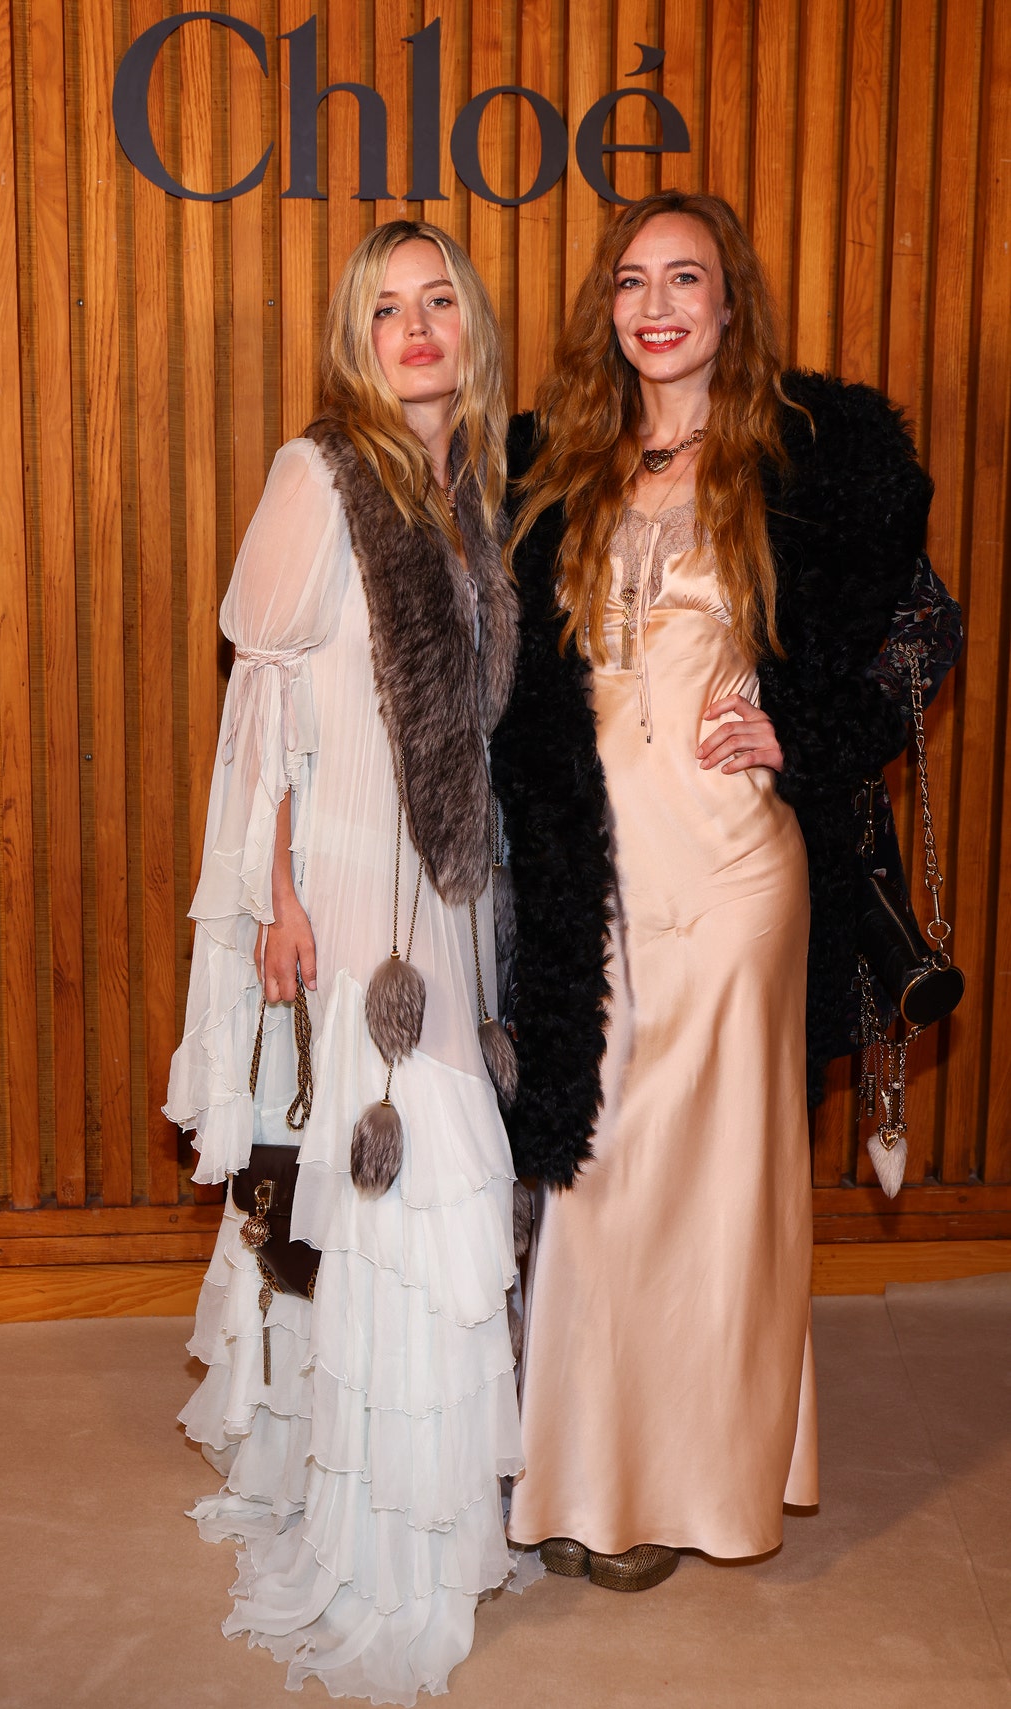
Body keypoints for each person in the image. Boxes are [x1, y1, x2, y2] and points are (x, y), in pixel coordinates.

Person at [492, 190, 960, 1591]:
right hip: (596, 871)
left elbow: (924, 627)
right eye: (632, 282)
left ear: (728, 301)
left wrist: (801, 731)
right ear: (609, 311)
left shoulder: (805, 460)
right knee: (598, 1166)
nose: (658, 306)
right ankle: (588, 1469)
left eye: (684, 278)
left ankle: (690, 1483)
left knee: (709, 1183)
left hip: (736, 867)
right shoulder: (558, 465)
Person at [165, 220, 536, 1705]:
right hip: (344, 881)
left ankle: (417, 1501)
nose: (418, 324)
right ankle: (380, 1536)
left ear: (471, 327)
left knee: (425, 1169)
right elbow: (260, 700)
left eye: (440, 299)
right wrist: (273, 899)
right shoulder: (320, 475)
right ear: (356, 338)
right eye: (388, 308)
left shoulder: (472, 492)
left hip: (443, 888)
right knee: (396, 1163)